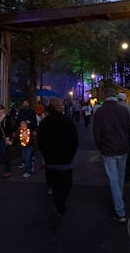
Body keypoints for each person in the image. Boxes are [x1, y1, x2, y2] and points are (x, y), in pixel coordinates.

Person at [92, 88, 130, 223]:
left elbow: (96, 132)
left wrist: (101, 146)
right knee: (120, 177)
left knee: (113, 179)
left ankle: (120, 210)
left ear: (105, 97)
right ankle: (119, 200)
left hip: (108, 149)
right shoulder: (124, 110)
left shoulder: (100, 112)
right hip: (123, 148)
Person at [37, 98, 79, 228]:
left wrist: (45, 154)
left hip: (50, 160)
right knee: (66, 185)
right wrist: (70, 154)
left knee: (54, 185)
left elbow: (40, 140)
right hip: (65, 159)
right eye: (61, 105)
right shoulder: (67, 121)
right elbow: (74, 140)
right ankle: (60, 206)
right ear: (58, 107)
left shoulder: (44, 123)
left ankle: (58, 204)